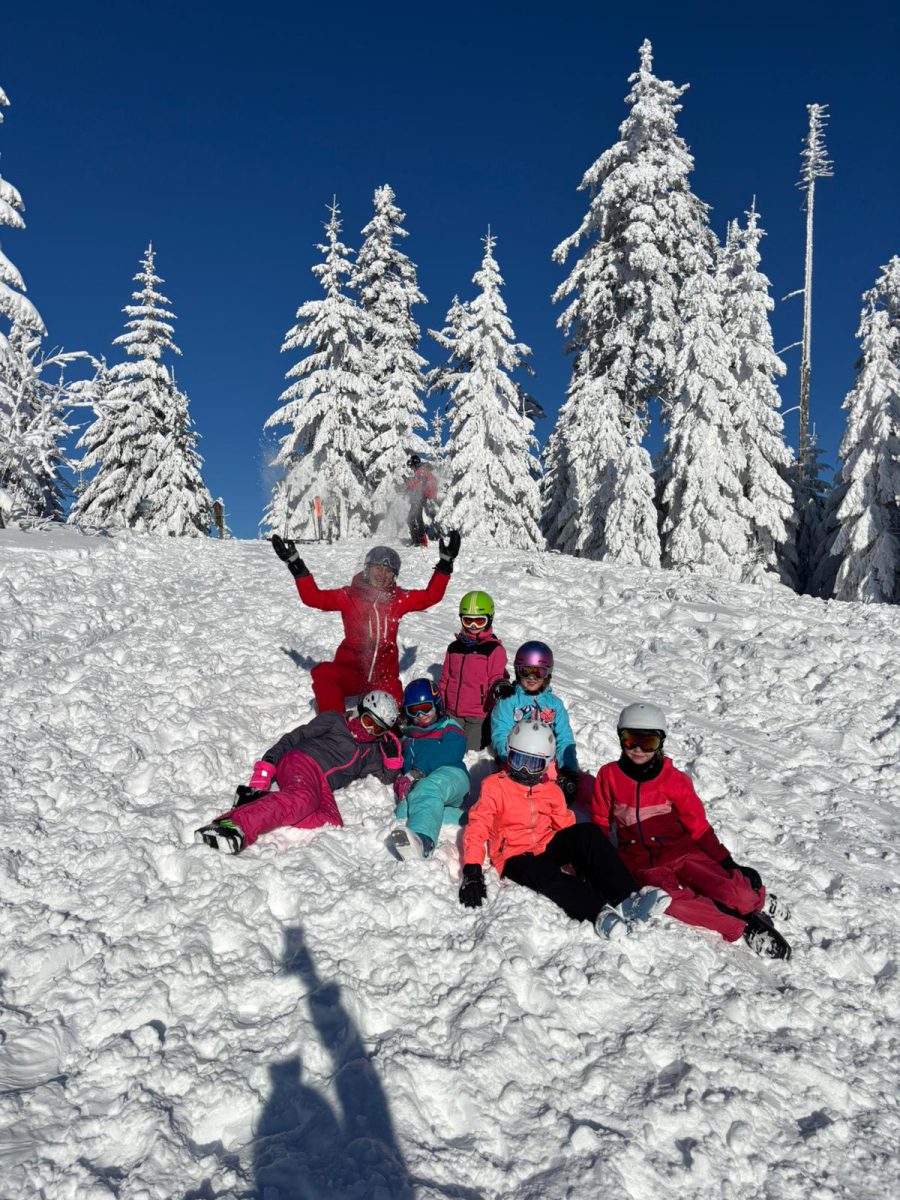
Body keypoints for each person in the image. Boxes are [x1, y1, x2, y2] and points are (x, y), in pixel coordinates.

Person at [591, 702, 792, 960]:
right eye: (630, 740)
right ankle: (742, 926)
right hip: (642, 863)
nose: (638, 749)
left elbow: (698, 827)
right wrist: (598, 862)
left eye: (648, 742)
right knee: (671, 901)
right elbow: (600, 821)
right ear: (620, 738)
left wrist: (727, 862)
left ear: (661, 742)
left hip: (682, 851)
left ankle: (756, 901)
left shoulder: (674, 780)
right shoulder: (609, 775)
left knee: (735, 892)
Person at [459, 721, 671, 938]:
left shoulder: (550, 790)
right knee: (546, 876)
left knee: (587, 833)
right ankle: (597, 912)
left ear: (546, 765)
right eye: (518, 760)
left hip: (545, 844)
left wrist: (580, 858)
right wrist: (472, 870)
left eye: (533, 764)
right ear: (509, 754)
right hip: (514, 856)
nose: (523, 770)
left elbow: (565, 824)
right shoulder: (495, 786)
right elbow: (478, 826)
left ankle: (628, 898)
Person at [271, 532, 461, 711]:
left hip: (384, 679)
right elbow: (313, 597)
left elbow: (431, 596)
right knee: (323, 673)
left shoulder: (398, 599)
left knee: (395, 716)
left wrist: (445, 564)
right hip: (352, 674)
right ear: (366, 570)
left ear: (394, 576)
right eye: (378, 568)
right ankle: (333, 723)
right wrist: (295, 564)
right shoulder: (349, 596)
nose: (382, 574)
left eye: (388, 571)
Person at [194, 691, 404, 854]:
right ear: (359, 711)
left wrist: (392, 760)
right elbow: (295, 737)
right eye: (368, 722)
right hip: (302, 761)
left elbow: (385, 778)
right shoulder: (335, 720)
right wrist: (268, 764)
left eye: (377, 729)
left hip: (322, 785)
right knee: (303, 800)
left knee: (331, 821)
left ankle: (261, 804)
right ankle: (233, 825)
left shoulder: (371, 752)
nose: (369, 731)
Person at [389, 677, 470, 861]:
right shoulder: (408, 739)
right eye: (414, 710)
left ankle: (422, 841)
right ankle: (469, 819)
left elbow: (451, 751)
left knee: (426, 789)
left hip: (453, 776)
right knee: (405, 809)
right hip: (427, 786)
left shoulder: (448, 727)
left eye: (425, 708)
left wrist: (418, 771)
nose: (420, 714)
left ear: (437, 705)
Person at [490, 641, 582, 799]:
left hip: (546, 762)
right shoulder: (509, 700)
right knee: (513, 790)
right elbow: (500, 731)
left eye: (538, 672)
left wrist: (568, 769)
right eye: (526, 671)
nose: (531, 678)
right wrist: (508, 759)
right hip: (516, 762)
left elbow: (564, 737)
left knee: (574, 787)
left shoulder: (554, 704)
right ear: (518, 671)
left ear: (548, 673)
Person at [438, 591, 509, 752]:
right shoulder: (454, 648)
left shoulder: (493, 649)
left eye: (479, 621)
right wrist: (441, 703)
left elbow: (496, 677)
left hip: (478, 715)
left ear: (489, 619)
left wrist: (501, 686)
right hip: (453, 712)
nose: (473, 626)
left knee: (471, 753)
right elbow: (445, 678)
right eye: (468, 620)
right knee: (449, 749)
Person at [404, 454, 437, 547]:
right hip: (420, 498)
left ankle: (420, 541)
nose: (411, 469)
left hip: (420, 498)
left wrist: (407, 481)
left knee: (414, 518)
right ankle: (418, 540)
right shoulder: (421, 472)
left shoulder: (421, 471)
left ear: (415, 464)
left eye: (411, 466)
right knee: (414, 518)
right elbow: (416, 483)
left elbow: (418, 484)